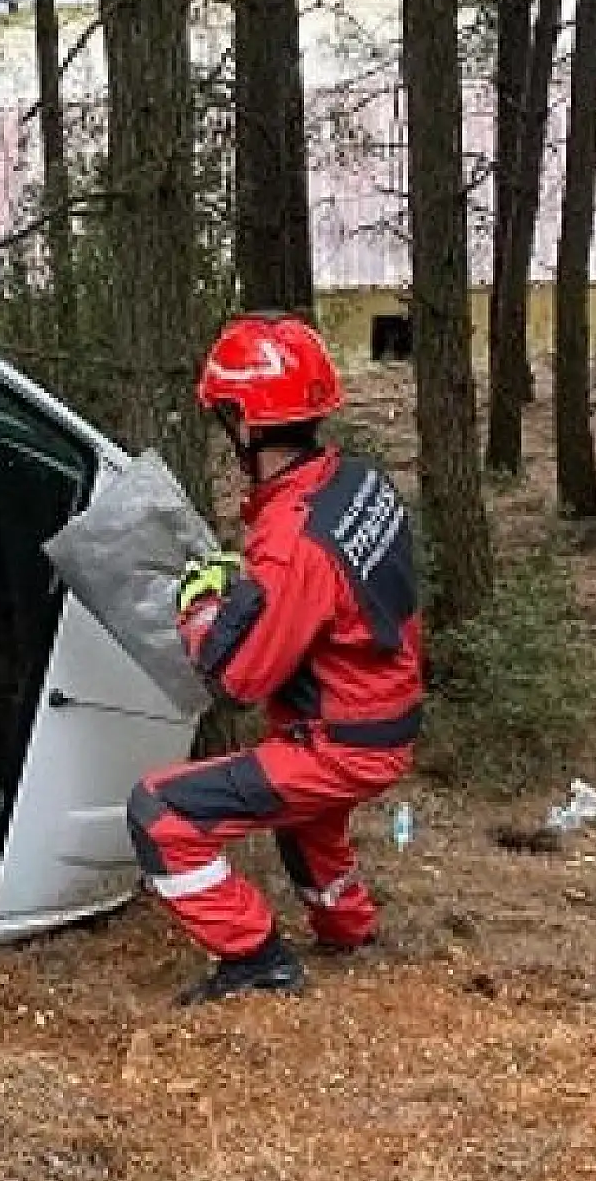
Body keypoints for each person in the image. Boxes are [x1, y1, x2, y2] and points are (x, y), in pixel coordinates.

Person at [125, 313, 424, 1005]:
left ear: (245, 422)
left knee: (158, 812)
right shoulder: (355, 482)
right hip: (384, 714)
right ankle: (347, 926)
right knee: (308, 822)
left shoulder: (292, 544)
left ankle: (255, 956)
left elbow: (239, 677)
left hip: (340, 741)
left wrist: (202, 607)